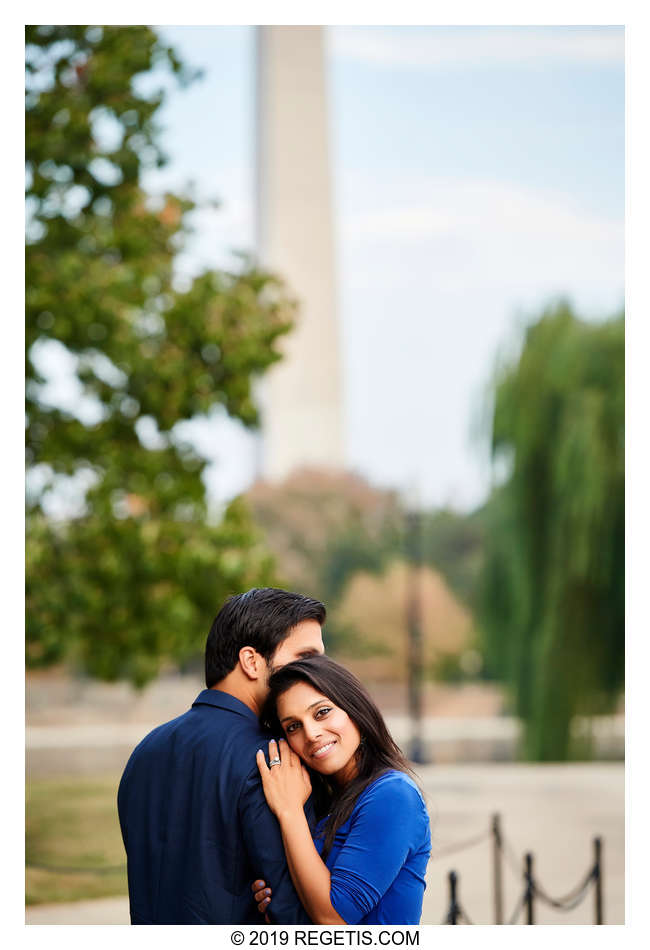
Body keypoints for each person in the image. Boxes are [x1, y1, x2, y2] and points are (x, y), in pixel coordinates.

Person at [117, 588, 325, 924]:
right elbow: (296, 914)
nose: (318, 673)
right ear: (251, 661)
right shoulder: (271, 760)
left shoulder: (145, 751)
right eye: (306, 658)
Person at [252, 655, 431, 924]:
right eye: (293, 726)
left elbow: (334, 919)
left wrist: (289, 812)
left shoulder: (393, 796)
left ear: (354, 708)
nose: (311, 733)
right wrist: (277, 903)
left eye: (322, 712)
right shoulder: (325, 801)